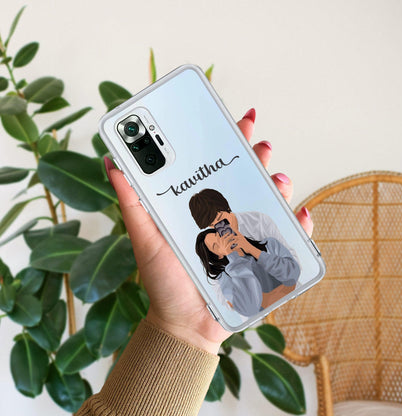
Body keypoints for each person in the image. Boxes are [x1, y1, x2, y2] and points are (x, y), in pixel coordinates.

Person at [76, 108, 313, 416]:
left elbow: (291, 273)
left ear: (230, 210)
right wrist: (231, 261)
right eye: (212, 228)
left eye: (223, 220)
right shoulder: (219, 266)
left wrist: (250, 249)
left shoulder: (260, 226)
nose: (221, 230)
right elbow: (247, 303)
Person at [195, 228, 300, 316]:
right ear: (218, 256)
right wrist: (233, 257)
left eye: (219, 237)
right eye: (216, 245)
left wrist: (251, 249)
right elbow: (250, 308)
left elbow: (293, 274)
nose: (223, 242)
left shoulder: (270, 244)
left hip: (300, 302)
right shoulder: (225, 278)